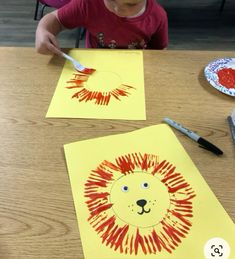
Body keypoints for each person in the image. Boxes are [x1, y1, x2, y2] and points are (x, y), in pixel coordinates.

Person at [35, 0, 168, 55]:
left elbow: (159, 52)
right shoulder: (88, 3)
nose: (118, 9)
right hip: (94, 64)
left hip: (135, 67)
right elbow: (57, 19)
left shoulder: (158, 16)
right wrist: (43, 30)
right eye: (111, 0)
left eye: (130, 5)